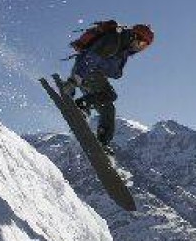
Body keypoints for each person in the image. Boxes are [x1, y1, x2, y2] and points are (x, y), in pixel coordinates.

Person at [62, 23, 154, 155]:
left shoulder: (124, 49)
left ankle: (102, 141)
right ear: (135, 36)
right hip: (87, 73)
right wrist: (74, 80)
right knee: (110, 95)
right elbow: (90, 58)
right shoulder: (115, 41)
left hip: (92, 75)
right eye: (141, 44)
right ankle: (82, 105)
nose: (140, 49)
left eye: (144, 47)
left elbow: (113, 71)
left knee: (108, 108)